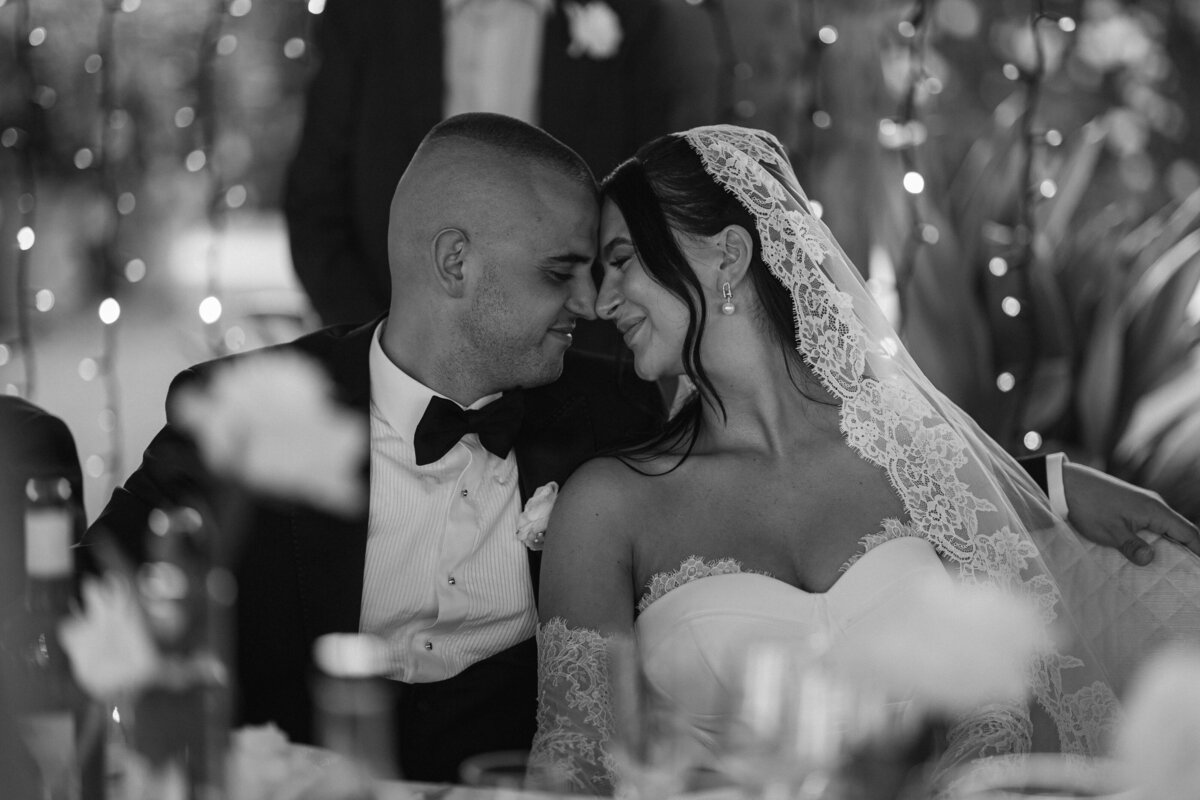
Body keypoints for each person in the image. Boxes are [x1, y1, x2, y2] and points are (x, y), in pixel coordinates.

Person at [529, 125, 1200, 792]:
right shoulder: (608, 505)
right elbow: (576, 764)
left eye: (620, 260)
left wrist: (1047, 482)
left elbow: (1017, 703)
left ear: (728, 255)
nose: (602, 301)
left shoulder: (914, 455)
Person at [84, 113, 661, 782]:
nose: (590, 303)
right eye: (561, 273)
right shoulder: (248, 412)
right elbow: (88, 603)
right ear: (456, 263)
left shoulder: (621, 414)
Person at [285, 0, 673, 332]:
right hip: (392, 341)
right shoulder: (367, 11)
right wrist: (390, 347)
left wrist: (578, 358)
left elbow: (641, 207)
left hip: (575, 355)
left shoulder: (629, 11)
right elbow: (317, 204)